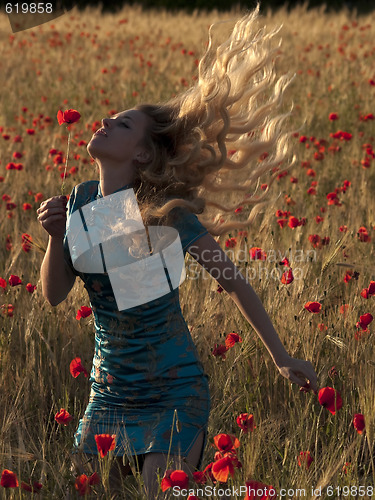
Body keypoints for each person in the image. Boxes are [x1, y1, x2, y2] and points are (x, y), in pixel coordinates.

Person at [37, 5, 318, 499]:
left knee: (157, 489)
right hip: (109, 390)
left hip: (172, 389)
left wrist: (280, 356)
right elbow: (55, 296)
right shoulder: (80, 200)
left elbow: (232, 280)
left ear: (142, 154)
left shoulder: (166, 216)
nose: (105, 120)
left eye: (122, 124)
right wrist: (57, 238)